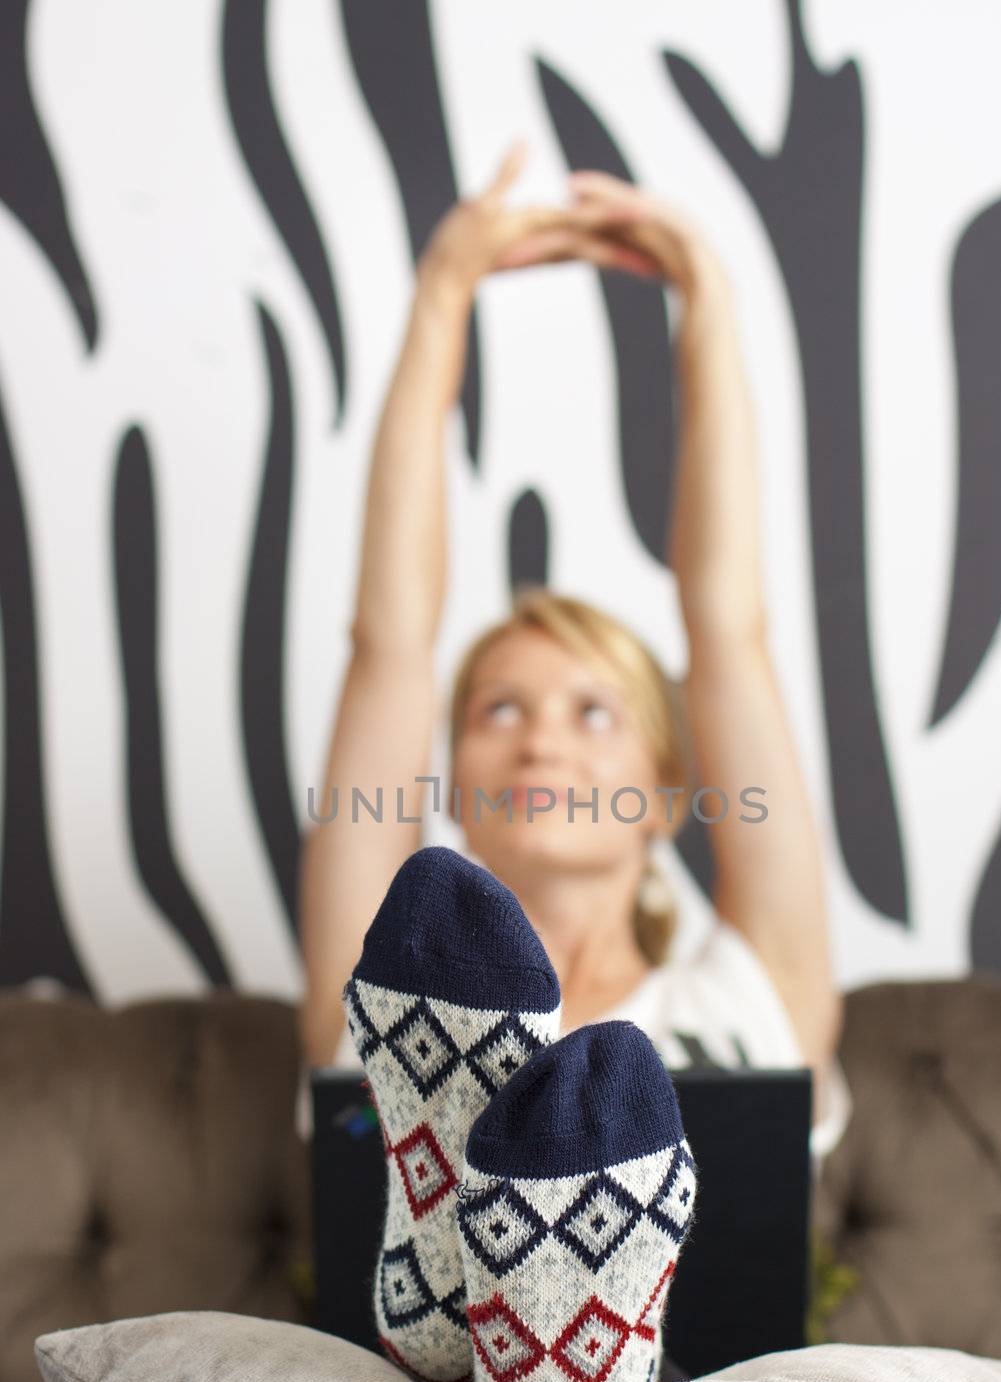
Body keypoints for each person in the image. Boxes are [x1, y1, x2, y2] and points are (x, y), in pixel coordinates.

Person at [297, 138, 851, 1170]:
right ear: (451, 780)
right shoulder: (388, 1017)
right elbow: (388, 643)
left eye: (593, 712)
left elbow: (728, 627)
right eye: (497, 709)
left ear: (664, 787)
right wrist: (441, 291)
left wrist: (707, 296)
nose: (541, 741)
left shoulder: (745, 998)